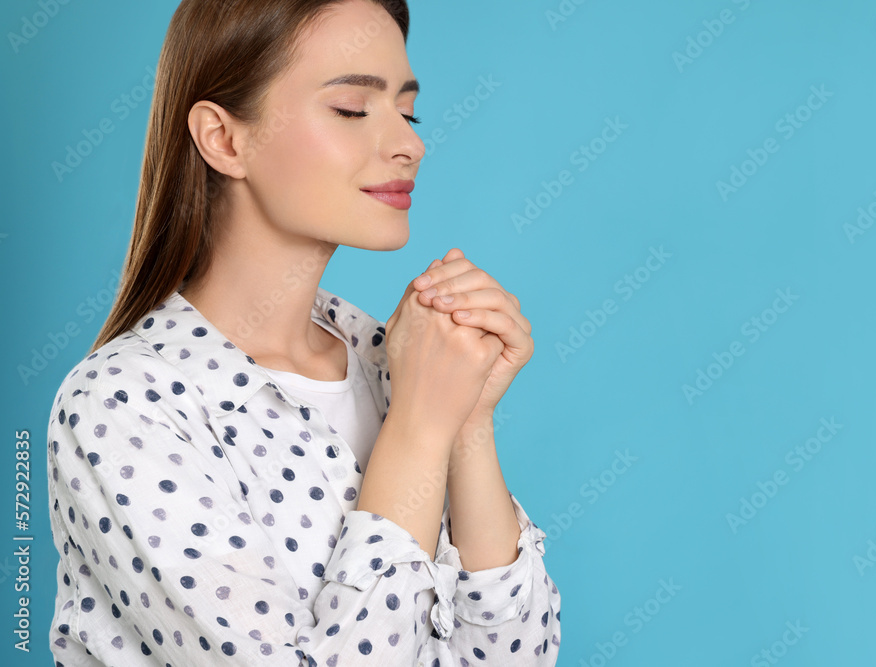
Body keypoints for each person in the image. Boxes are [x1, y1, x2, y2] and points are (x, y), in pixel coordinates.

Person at [45, 0, 561, 664]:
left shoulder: (394, 357)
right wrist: (419, 427)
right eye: (351, 109)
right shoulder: (124, 406)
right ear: (223, 139)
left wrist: (467, 420)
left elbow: (516, 657)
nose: (411, 144)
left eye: (408, 111)